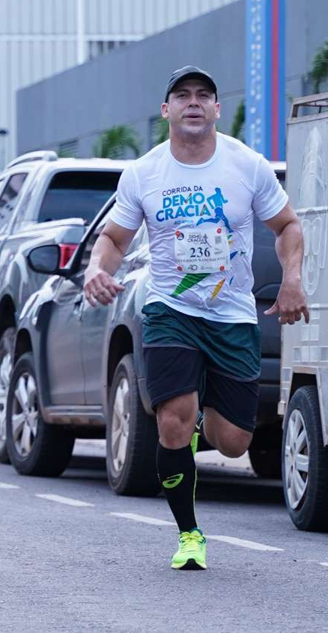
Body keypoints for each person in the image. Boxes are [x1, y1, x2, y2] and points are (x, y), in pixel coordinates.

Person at [83, 66, 308, 570]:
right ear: (166, 110)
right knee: (171, 424)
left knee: (233, 442)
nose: (192, 103)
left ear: (215, 109)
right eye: (181, 96)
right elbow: (115, 239)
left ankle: (203, 408)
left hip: (231, 316)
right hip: (170, 309)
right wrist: (98, 268)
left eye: (203, 96)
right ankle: (189, 534)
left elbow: (288, 224)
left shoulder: (246, 166)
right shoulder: (144, 173)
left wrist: (292, 278)